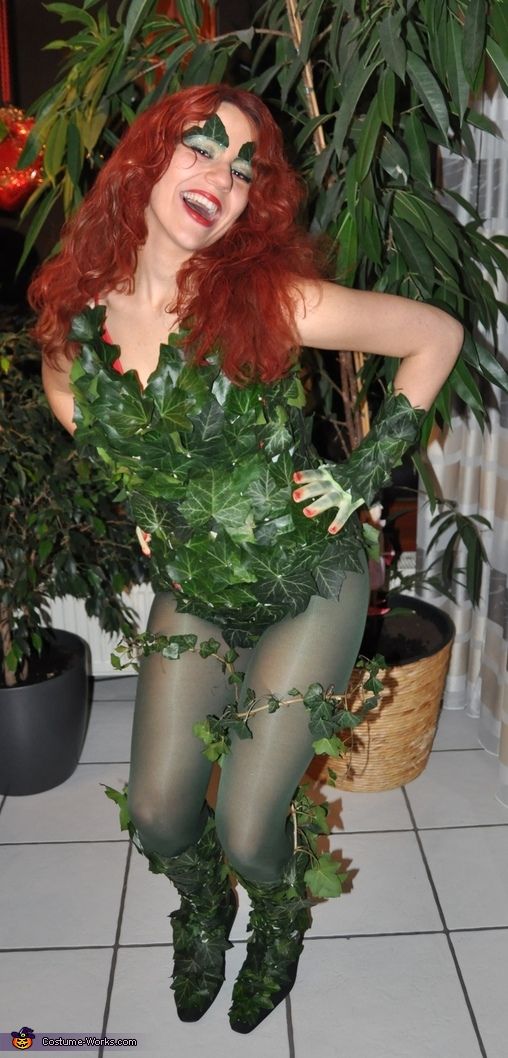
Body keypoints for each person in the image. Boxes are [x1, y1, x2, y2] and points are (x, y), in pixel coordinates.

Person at [30, 83, 463, 1033]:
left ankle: (274, 912)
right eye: (201, 149)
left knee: (249, 825)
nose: (219, 178)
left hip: (311, 574)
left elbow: (435, 336)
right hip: (199, 587)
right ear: (147, 159)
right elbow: (73, 402)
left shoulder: (269, 297)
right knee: (157, 812)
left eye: (241, 170)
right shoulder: (77, 317)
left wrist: (363, 474)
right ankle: (204, 909)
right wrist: (144, 497)